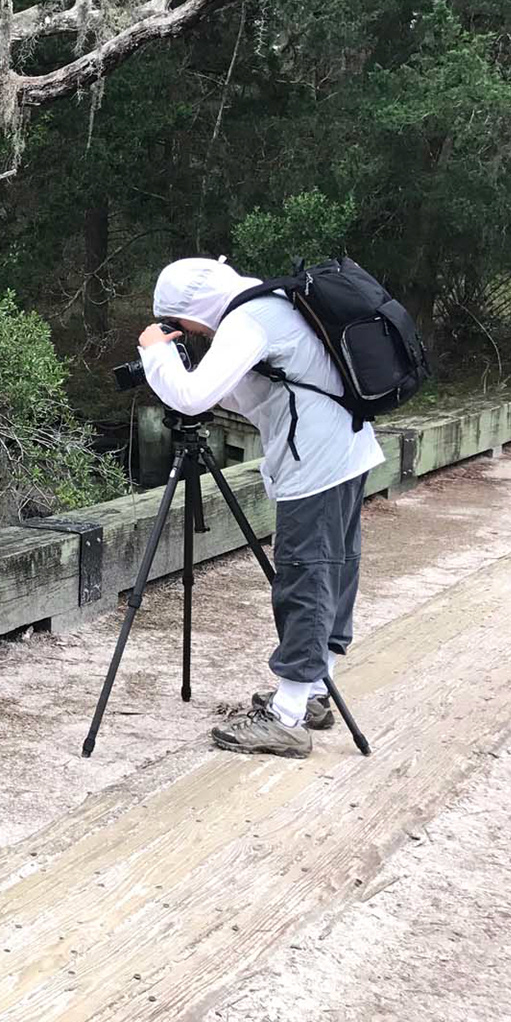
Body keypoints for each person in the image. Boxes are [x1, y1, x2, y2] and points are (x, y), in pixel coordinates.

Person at [137, 256, 383, 758]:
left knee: (303, 578)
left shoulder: (246, 321)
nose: (190, 333)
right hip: (347, 449)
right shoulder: (273, 301)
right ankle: (311, 694)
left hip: (314, 464)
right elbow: (257, 393)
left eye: (181, 322)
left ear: (195, 308)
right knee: (333, 571)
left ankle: (287, 719)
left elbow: (191, 399)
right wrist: (192, 372)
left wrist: (154, 352)